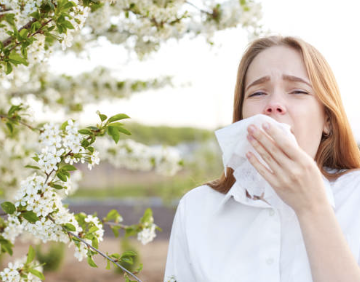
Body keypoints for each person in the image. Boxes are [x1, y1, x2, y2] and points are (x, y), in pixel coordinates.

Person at [163, 35, 360, 282]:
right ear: (242, 116)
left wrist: (312, 207)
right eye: (258, 93)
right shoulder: (196, 209)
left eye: (298, 90)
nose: (274, 104)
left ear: (328, 121)